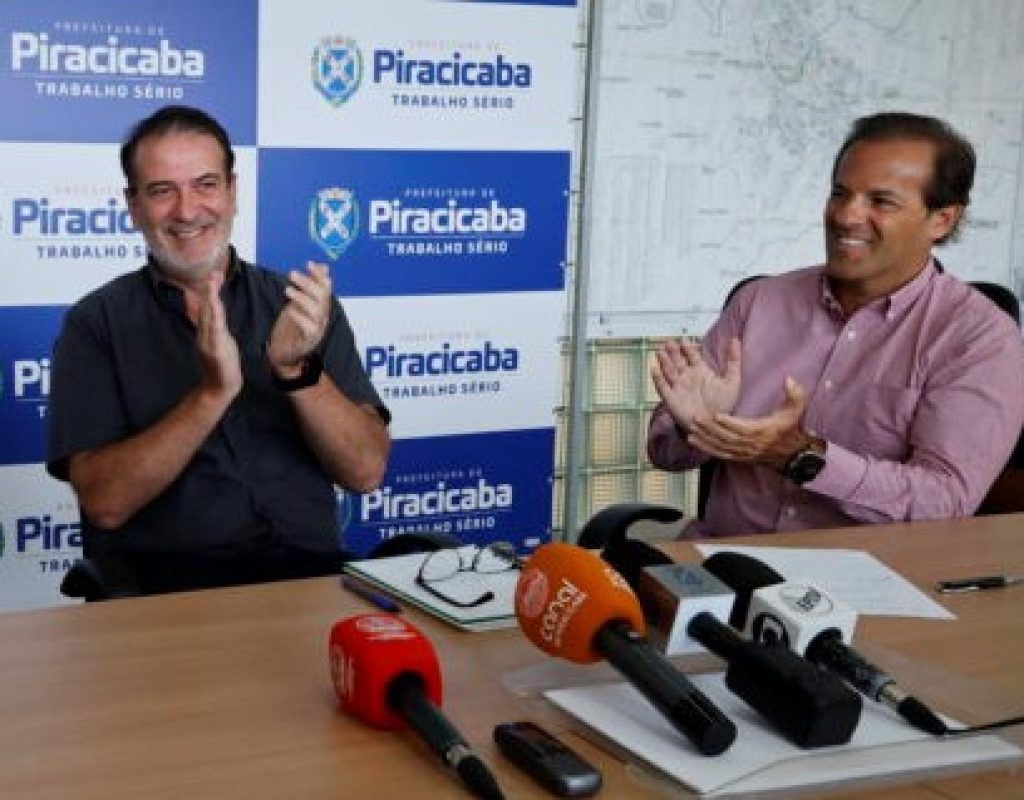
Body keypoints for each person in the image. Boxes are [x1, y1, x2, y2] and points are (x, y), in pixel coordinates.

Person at [46, 105, 391, 593]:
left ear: (232, 192)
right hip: (167, 595)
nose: (187, 210)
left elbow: (365, 471)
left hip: (310, 581)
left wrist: (297, 371)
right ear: (133, 206)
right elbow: (105, 502)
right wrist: (212, 394)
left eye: (205, 184)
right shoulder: (95, 325)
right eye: (163, 190)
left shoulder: (302, 308)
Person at [647, 111, 1024, 537]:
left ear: (942, 219)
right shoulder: (760, 301)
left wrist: (802, 457)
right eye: (840, 194)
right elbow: (666, 453)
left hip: (869, 582)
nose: (846, 216)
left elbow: (944, 500)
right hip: (724, 565)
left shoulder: (979, 337)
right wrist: (694, 426)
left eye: (881, 202)